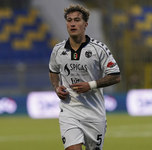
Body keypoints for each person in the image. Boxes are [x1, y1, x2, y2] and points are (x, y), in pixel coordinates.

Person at [49, 4, 121, 150]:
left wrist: (90, 85)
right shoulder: (58, 50)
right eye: (69, 20)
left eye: (77, 20)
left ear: (85, 24)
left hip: (94, 113)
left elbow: (115, 76)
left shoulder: (99, 49)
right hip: (70, 111)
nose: (72, 23)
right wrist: (57, 87)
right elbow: (53, 70)